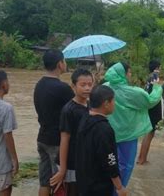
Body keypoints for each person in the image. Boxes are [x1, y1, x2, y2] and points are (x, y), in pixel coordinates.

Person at [103, 62, 162, 187]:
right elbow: (150, 101)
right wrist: (157, 87)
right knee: (125, 165)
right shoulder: (132, 92)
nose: (130, 75)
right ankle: (120, 190)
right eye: (129, 72)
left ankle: (110, 189)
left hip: (107, 133)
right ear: (123, 74)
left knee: (108, 163)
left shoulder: (104, 87)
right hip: (127, 135)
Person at [34, 49, 74, 196]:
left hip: (42, 138)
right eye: (64, 61)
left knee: (45, 181)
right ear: (60, 64)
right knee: (60, 184)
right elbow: (78, 109)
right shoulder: (63, 88)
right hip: (58, 143)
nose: (66, 64)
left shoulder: (39, 85)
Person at [76, 85, 127, 196]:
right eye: (113, 101)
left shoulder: (85, 118)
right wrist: (119, 187)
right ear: (106, 103)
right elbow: (110, 160)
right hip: (98, 185)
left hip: (83, 181)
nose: (114, 104)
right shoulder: (104, 129)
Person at [50, 69, 94, 195]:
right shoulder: (68, 110)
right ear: (73, 86)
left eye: (90, 85)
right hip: (70, 162)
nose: (87, 88)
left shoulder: (90, 105)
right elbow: (64, 139)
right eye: (83, 85)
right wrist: (63, 169)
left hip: (83, 160)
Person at [137, 60, 162, 165]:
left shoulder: (149, 77)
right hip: (153, 107)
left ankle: (141, 158)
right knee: (149, 134)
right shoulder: (155, 76)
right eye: (160, 67)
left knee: (148, 133)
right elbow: (156, 94)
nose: (161, 69)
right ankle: (142, 159)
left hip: (148, 106)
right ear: (156, 67)